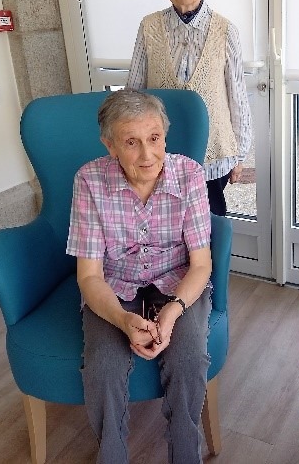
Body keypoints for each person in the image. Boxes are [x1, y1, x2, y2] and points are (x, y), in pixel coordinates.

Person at [66, 89, 212, 464]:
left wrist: (172, 312)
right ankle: (112, 455)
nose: (148, 155)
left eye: (154, 138)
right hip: (113, 285)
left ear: (165, 135)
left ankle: (186, 455)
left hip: (177, 283)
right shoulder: (89, 181)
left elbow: (200, 265)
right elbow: (89, 276)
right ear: (110, 145)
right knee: (103, 367)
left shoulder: (190, 175)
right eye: (131, 142)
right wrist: (121, 318)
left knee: (188, 359)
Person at [125, 0, 252, 216]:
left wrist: (240, 154)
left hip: (213, 154)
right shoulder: (148, 27)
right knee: (164, 223)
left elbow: (237, 96)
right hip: (160, 152)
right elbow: (133, 93)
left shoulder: (225, 30)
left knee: (209, 222)